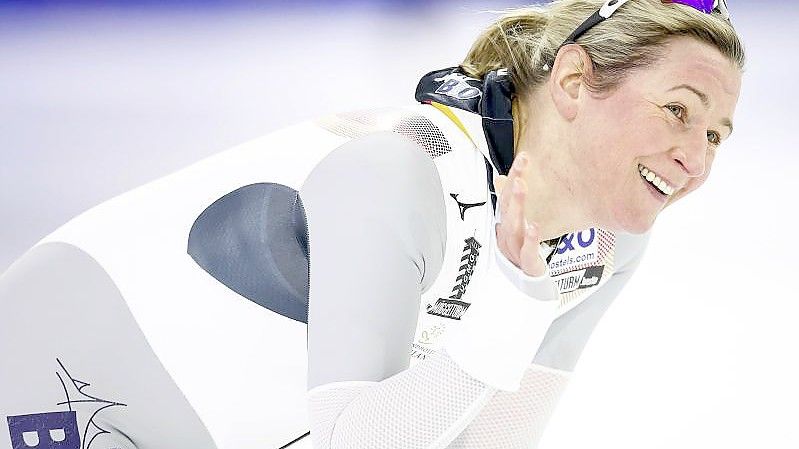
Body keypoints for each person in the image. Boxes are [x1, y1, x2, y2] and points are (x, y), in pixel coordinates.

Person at [0, 0, 743, 448]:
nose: (692, 157)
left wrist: (517, 308)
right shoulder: (402, 169)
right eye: (676, 109)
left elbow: (490, 436)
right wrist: (510, 308)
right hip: (57, 360)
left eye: (714, 134)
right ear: (575, 81)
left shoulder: (607, 244)